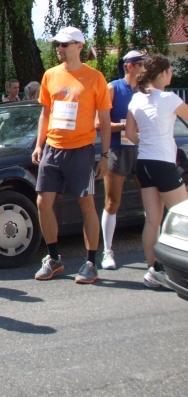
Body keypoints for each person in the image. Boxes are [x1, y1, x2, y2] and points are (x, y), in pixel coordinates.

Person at [32, 26, 111, 284]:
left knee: (86, 204)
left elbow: (105, 121)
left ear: (79, 46)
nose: (59, 48)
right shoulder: (50, 75)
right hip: (53, 148)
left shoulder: (95, 78)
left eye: (64, 44)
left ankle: (90, 263)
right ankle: (54, 258)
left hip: (81, 150)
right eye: (58, 44)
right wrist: (39, 145)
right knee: (43, 203)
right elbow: (45, 113)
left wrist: (105, 155)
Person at [125, 54, 188, 288]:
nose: (172, 74)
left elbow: (130, 134)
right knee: (184, 216)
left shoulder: (136, 99)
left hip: (144, 163)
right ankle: (174, 270)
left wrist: (147, 143)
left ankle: (153, 271)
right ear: (162, 74)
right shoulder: (169, 98)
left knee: (152, 220)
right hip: (163, 163)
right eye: (170, 71)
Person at [95, 49, 144, 270]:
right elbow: (98, 123)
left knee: (151, 200)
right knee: (112, 202)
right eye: (141, 64)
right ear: (129, 66)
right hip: (118, 149)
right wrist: (125, 126)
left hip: (142, 149)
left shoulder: (146, 90)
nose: (145, 68)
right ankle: (108, 251)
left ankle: (154, 250)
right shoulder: (113, 88)